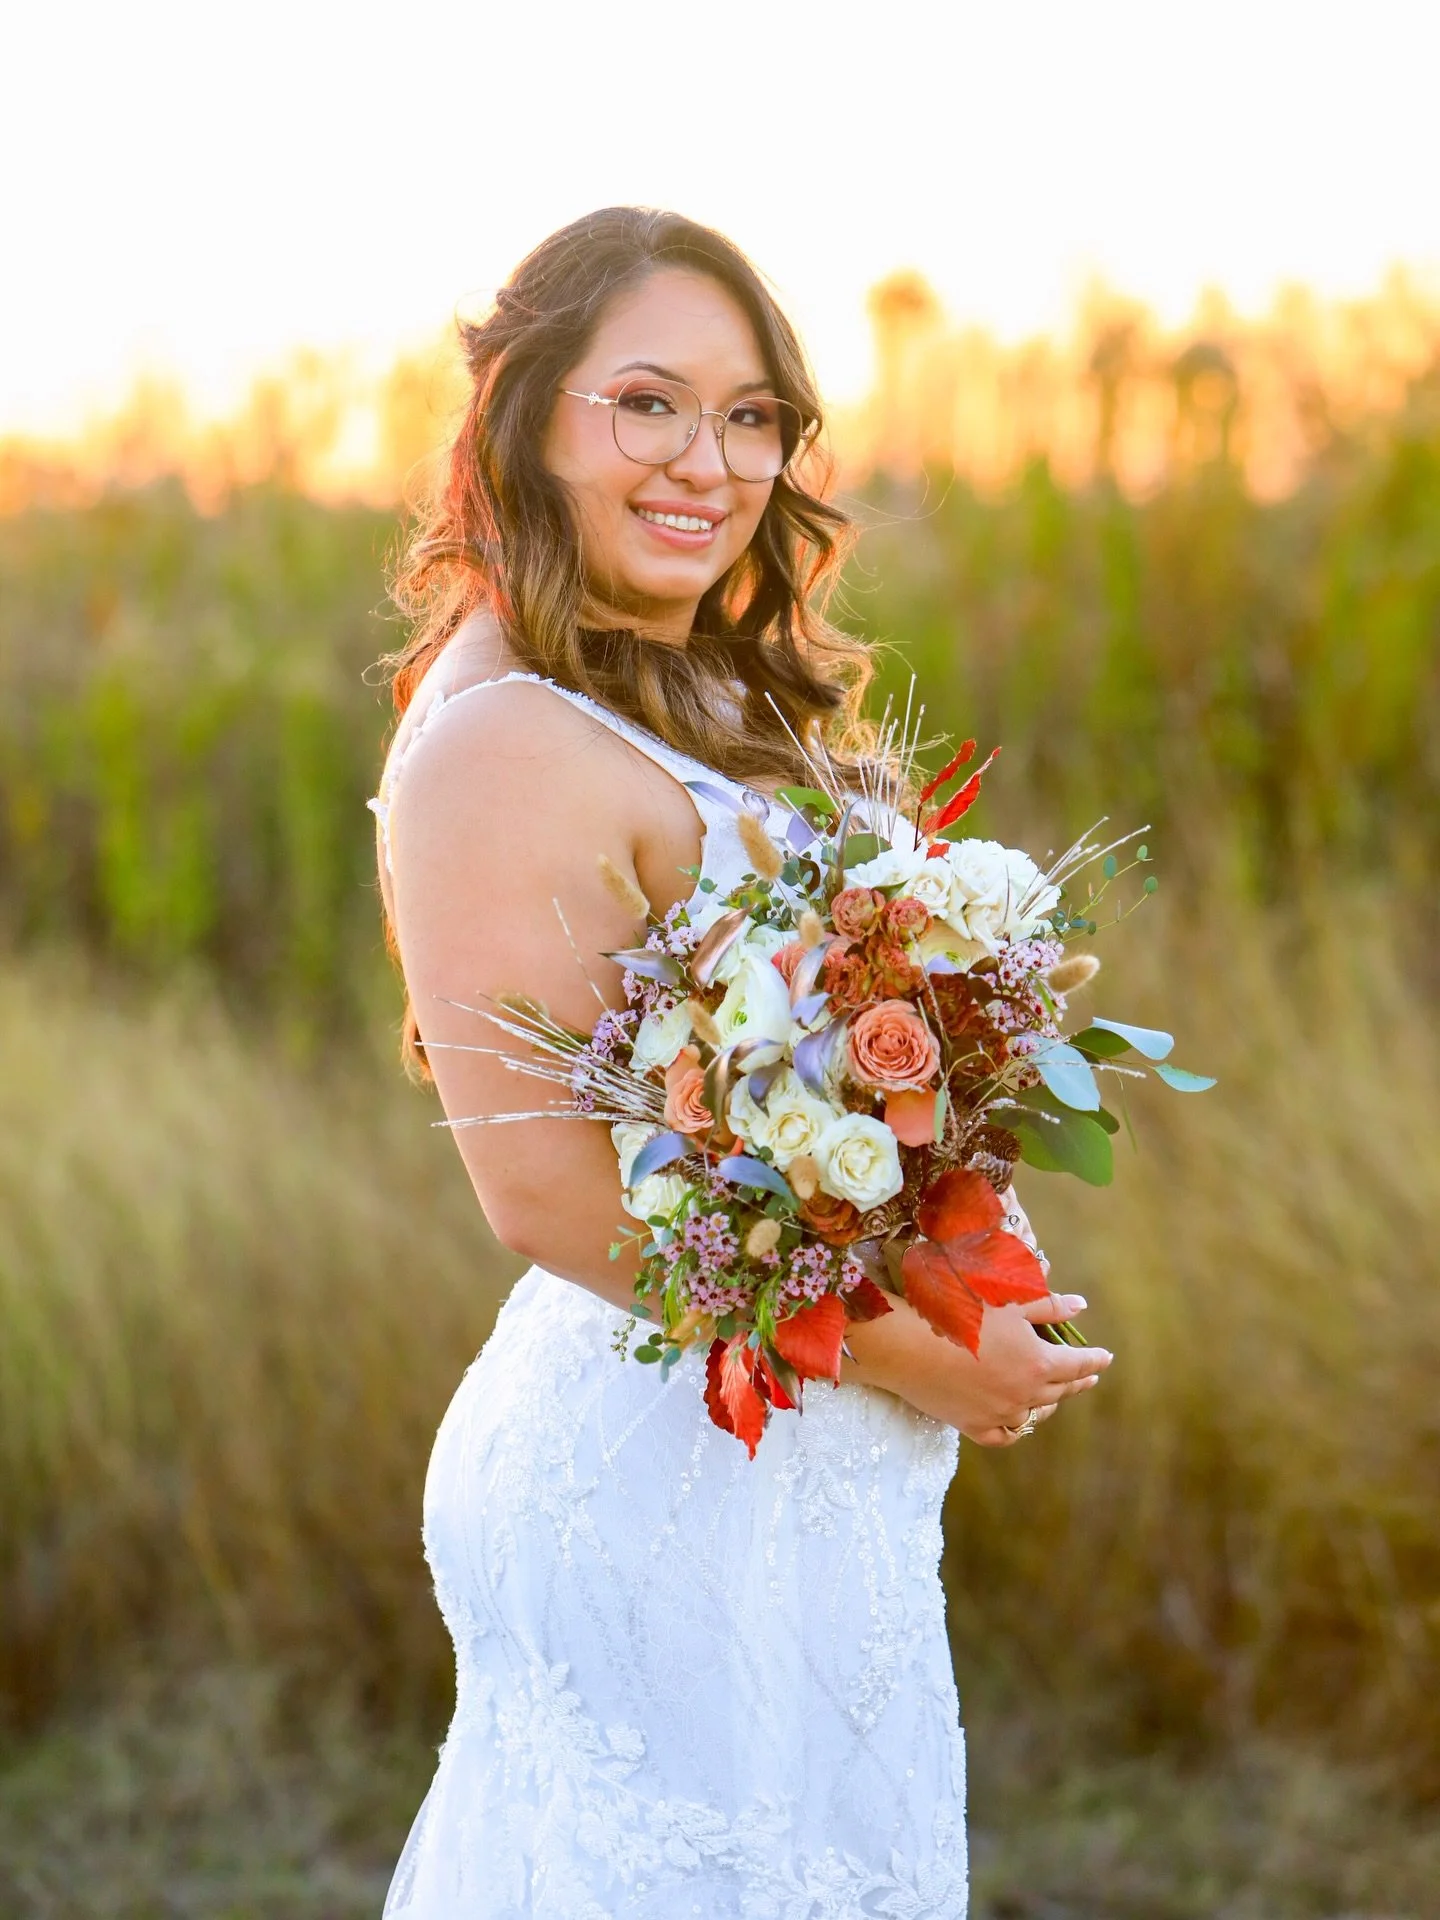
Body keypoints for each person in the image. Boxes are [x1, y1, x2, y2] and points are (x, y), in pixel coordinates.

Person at [370, 206, 1112, 1919]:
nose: (709, 460)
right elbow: (552, 1197)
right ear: (525, 418)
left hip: (784, 1452)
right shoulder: (497, 738)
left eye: (752, 415)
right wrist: (929, 1356)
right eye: (647, 403)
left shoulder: (670, 673)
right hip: (657, 1476)